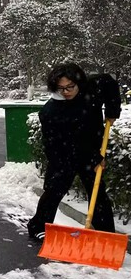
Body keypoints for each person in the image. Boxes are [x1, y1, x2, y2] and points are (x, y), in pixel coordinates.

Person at [27, 63, 122, 243]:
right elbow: (65, 143)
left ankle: (106, 234)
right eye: (61, 88)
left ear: (79, 82)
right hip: (63, 154)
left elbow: (109, 83)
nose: (66, 91)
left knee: (97, 193)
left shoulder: (92, 89)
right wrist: (94, 158)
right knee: (54, 190)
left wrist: (112, 110)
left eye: (70, 87)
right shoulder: (51, 112)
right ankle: (38, 227)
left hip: (91, 149)